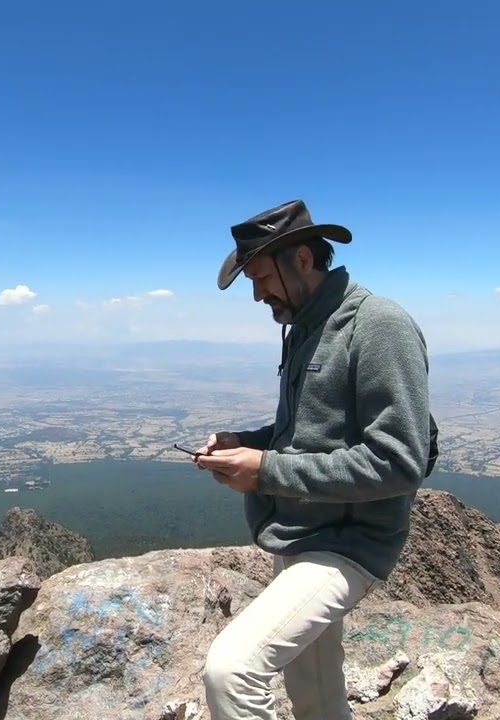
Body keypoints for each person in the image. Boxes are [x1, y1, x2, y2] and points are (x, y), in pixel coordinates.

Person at [192, 198, 435, 720]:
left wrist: (266, 471)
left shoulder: (378, 326)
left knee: (231, 670)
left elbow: (400, 460)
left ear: (303, 260)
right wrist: (247, 441)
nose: (257, 295)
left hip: (345, 545)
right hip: (300, 535)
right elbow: (306, 432)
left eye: (260, 277)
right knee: (316, 694)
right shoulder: (306, 325)